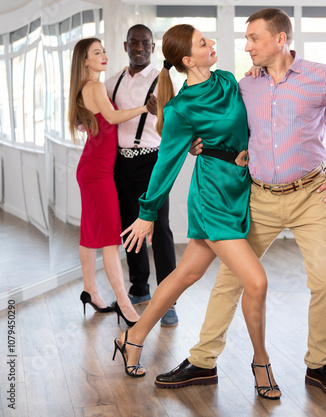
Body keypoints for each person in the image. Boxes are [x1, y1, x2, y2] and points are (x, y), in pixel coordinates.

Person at [158, 8, 326, 399]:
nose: (247, 46)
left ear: (280, 39)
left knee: (324, 282)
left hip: (311, 195)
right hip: (258, 197)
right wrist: (199, 146)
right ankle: (203, 361)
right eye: (246, 39)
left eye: (254, 38)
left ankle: (319, 364)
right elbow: (219, 124)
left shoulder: (318, 76)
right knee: (230, 280)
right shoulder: (245, 85)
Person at [112, 24, 281, 400]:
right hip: (212, 197)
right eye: (204, 43)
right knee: (257, 282)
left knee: (186, 273)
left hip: (240, 188)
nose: (212, 44)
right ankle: (261, 361)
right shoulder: (180, 108)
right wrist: (147, 212)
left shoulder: (227, 80)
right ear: (188, 59)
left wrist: (258, 78)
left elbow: (250, 124)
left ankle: (133, 336)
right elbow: (166, 163)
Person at [68, 37, 148, 326]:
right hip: (96, 173)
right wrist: (143, 109)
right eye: (97, 53)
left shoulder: (83, 89)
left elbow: (93, 122)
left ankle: (90, 290)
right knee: (111, 239)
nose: (104, 55)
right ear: (85, 61)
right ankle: (125, 305)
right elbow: (112, 118)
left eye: (104, 50)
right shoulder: (95, 86)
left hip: (94, 169)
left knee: (91, 234)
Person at [105, 25, 178, 327]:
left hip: (153, 161)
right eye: (134, 42)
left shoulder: (163, 81)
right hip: (122, 163)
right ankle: (138, 289)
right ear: (125, 45)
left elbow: (175, 120)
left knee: (159, 228)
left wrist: (160, 109)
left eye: (145, 43)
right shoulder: (113, 82)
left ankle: (168, 300)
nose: (139, 47)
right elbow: (102, 113)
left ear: (153, 46)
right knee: (129, 228)